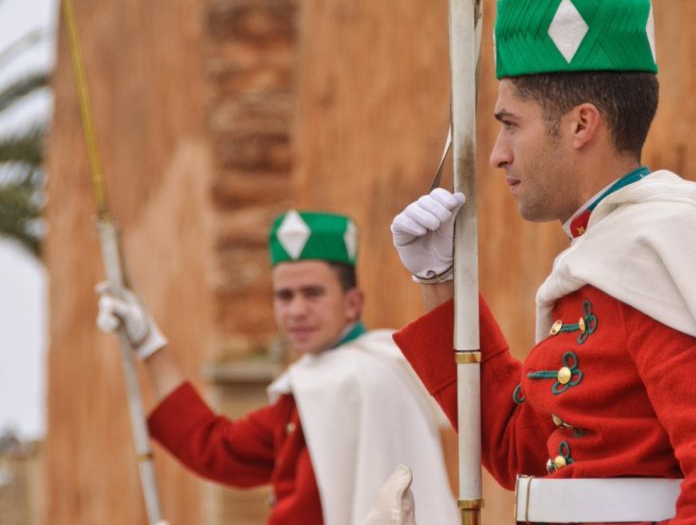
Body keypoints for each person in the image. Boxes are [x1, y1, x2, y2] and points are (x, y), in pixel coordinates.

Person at [389, 0, 696, 524]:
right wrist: (439, 281)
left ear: (582, 124)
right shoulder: (609, 251)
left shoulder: (659, 253)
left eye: (511, 124)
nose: (497, 153)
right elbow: (521, 448)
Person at [97, 210, 458, 525]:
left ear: (353, 303)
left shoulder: (369, 375)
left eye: (312, 293)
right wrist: (150, 344)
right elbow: (218, 450)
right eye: (284, 296)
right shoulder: (314, 387)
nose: (296, 310)